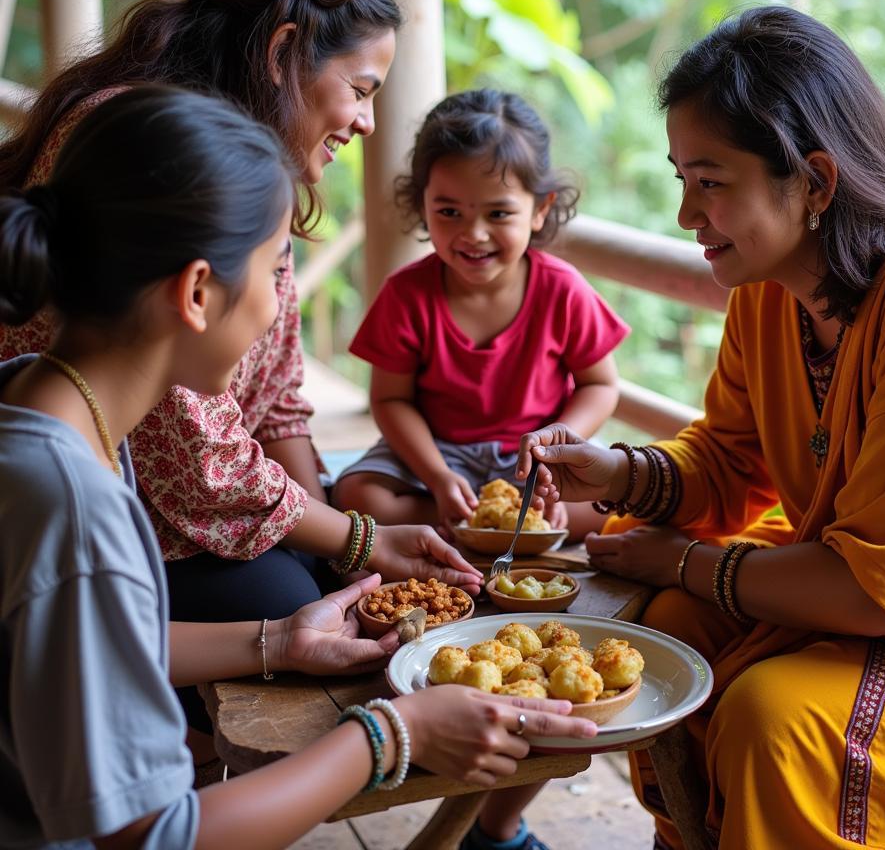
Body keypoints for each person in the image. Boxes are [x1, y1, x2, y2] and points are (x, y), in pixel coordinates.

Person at [0, 86, 598, 850]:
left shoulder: (49, 411)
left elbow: (90, 635)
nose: (280, 306)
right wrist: (390, 733)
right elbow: (153, 837)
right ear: (195, 292)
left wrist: (278, 641)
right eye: (277, 266)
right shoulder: (73, 501)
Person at [516, 6, 885, 849]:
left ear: (816, 182)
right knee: (664, 632)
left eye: (711, 183)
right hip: (862, 603)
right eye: (682, 179)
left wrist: (679, 556)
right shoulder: (768, 290)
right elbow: (727, 461)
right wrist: (621, 475)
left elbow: (875, 591)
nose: (686, 214)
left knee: (769, 717)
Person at [0, 0, 485, 742]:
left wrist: (347, 546)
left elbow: (279, 403)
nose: (368, 121)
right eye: (362, 88)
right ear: (285, 49)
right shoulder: (154, 144)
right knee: (305, 616)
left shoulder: (253, 162)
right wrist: (358, 538)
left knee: (331, 586)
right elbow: (189, 455)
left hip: (174, 492)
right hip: (120, 512)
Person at [333, 88, 629, 541]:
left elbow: (600, 384)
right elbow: (391, 400)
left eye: (498, 213)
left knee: (625, 497)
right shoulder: (407, 294)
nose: (473, 234)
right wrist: (436, 475)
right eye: (449, 211)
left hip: (536, 458)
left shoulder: (562, 289)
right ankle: (494, 525)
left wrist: (559, 445)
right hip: (435, 454)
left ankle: (483, 527)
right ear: (422, 205)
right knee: (357, 496)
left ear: (539, 209)